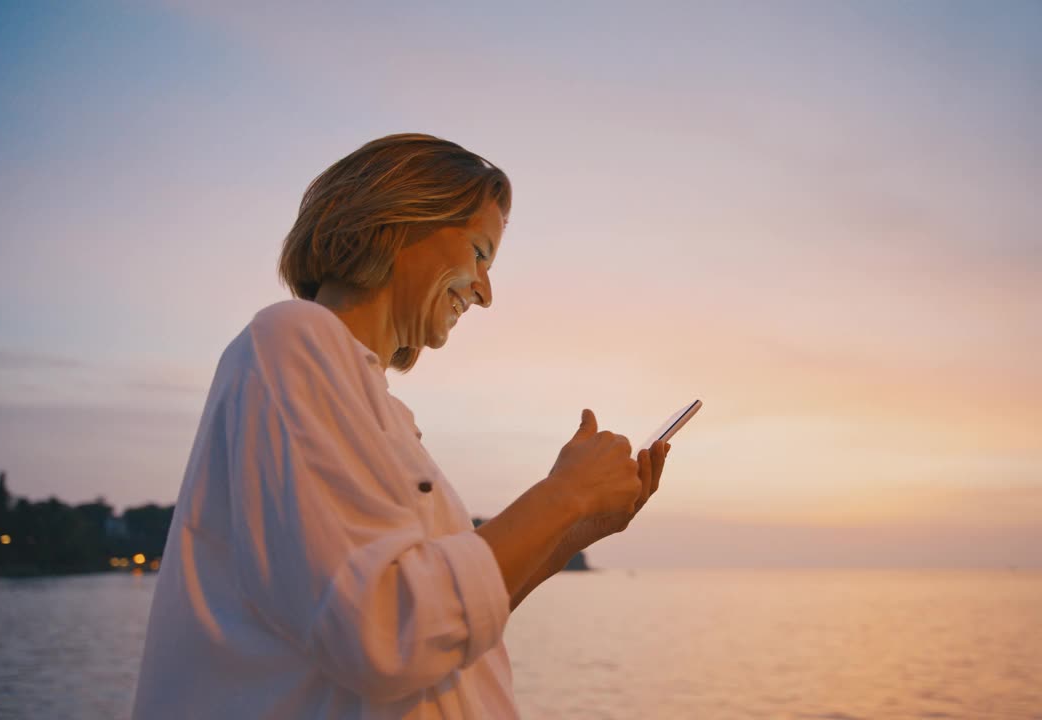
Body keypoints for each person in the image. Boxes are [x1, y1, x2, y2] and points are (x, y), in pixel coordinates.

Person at [132, 133, 670, 719]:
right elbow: (382, 630)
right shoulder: (292, 339)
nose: (487, 292)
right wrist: (564, 497)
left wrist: (576, 527)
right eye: (480, 253)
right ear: (400, 219)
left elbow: (439, 627)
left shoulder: (376, 407)